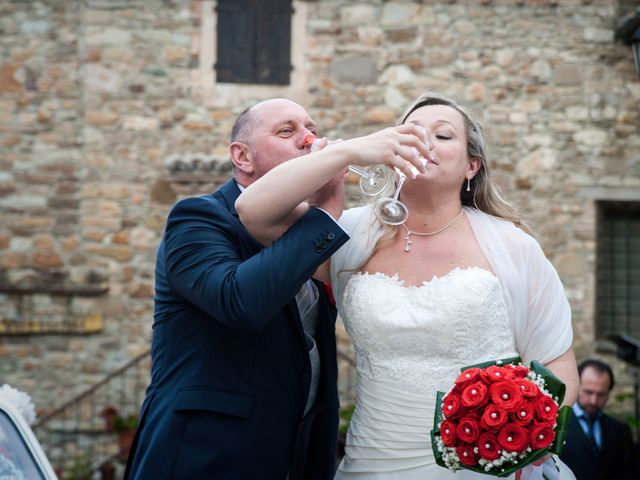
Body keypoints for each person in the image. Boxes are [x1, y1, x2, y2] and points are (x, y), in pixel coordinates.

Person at [236, 92, 580, 479]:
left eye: (444, 135)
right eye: (411, 133)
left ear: (472, 165)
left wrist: (530, 446)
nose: (424, 142)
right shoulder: (351, 232)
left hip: (484, 465)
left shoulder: (512, 246)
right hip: (374, 458)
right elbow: (253, 211)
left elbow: (555, 362)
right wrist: (344, 153)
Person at [123, 98, 428, 480]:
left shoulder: (318, 233)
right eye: (287, 131)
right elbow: (240, 303)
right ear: (242, 156)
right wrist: (326, 208)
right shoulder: (197, 218)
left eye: (311, 129)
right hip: (201, 460)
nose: (308, 139)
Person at [559, 359, 635, 480]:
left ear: (609, 393)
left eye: (601, 394)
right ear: (576, 386)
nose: (594, 401)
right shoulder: (557, 424)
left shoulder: (619, 430)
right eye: (588, 392)